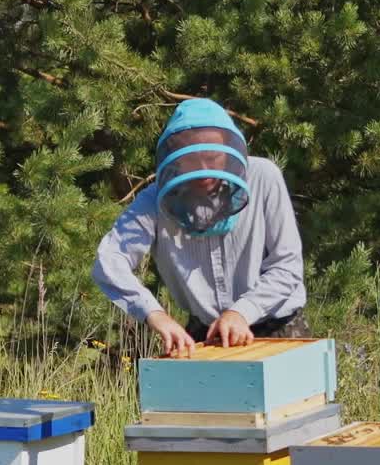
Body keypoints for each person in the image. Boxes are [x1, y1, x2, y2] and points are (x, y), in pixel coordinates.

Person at [92, 98, 308, 356]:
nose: (204, 170)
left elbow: (288, 265)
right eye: (193, 159)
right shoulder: (154, 199)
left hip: (278, 328)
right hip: (206, 332)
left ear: (229, 150)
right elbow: (110, 259)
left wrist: (242, 311)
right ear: (175, 157)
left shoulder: (263, 177)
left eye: (213, 157)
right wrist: (154, 313)